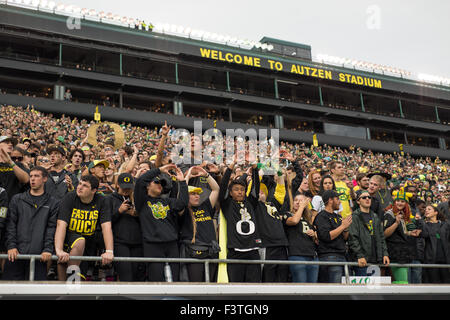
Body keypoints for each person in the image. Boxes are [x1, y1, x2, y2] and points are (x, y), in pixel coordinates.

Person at [134, 163, 188, 282]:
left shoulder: (167, 201)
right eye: (157, 182)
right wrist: (159, 170)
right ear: (148, 186)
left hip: (171, 244)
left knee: (175, 279)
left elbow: (182, 203)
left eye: (162, 184)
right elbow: (139, 181)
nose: (160, 185)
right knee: (156, 279)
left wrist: (182, 182)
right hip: (152, 245)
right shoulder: (142, 202)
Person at [54, 175, 114, 280]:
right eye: (80, 183)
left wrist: (109, 251)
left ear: (94, 190)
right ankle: (68, 283)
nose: (79, 187)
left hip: (88, 242)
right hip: (68, 237)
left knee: (81, 277)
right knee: (78, 242)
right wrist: (59, 250)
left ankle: (71, 288)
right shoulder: (70, 197)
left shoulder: (102, 200)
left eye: (85, 186)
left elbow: (106, 227)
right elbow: (61, 224)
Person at [3, 167, 58, 280]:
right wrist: (11, 246)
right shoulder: (17, 199)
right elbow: (10, 225)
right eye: (31, 176)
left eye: (36, 176)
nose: (32, 179)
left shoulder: (53, 203)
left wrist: (47, 249)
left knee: (35, 294)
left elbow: (51, 228)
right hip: (15, 255)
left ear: (45, 179)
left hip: (39, 257)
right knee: (10, 294)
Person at [218, 158, 262, 283]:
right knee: (236, 286)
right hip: (235, 251)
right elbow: (222, 188)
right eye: (236, 189)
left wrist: (254, 168)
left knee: (254, 286)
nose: (240, 192)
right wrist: (231, 166)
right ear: (230, 193)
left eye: (242, 190)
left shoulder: (251, 202)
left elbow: (256, 187)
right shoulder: (227, 204)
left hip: (253, 250)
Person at [180, 165, 220, 282]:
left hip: (211, 251)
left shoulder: (206, 206)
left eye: (197, 194)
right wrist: (187, 177)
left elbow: (216, 189)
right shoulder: (183, 210)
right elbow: (181, 193)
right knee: (196, 286)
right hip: (194, 252)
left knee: (211, 287)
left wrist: (206, 175)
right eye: (193, 194)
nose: (197, 196)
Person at [252, 169, 289, 283]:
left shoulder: (273, 203)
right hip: (267, 245)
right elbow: (254, 186)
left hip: (282, 245)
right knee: (268, 278)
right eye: (259, 191)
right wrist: (261, 170)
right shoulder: (254, 206)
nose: (261, 192)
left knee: (282, 278)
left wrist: (279, 174)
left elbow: (281, 191)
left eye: (263, 191)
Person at [108, 173, 144, 282]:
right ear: (117, 185)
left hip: (137, 242)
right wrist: (119, 211)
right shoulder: (110, 199)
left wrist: (136, 214)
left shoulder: (136, 199)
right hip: (120, 242)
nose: (126, 190)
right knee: (126, 276)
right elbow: (106, 222)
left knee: (137, 276)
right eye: (124, 187)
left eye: (129, 187)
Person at [348, 190, 390, 276]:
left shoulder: (375, 216)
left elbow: (381, 237)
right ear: (358, 201)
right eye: (364, 197)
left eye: (369, 197)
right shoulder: (354, 217)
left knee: (374, 288)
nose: (367, 199)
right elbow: (353, 238)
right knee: (362, 289)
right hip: (362, 261)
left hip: (375, 260)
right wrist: (359, 255)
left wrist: (385, 254)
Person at [383, 188, 421, 284]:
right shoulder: (389, 214)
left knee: (402, 281)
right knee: (402, 282)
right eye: (398, 201)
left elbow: (400, 234)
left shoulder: (402, 214)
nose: (400, 203)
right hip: (394, 252)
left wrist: (410, 233)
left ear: (406, 203)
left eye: (403, 201)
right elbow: (385, 234)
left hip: (402, 253)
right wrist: (396, 222)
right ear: (394, 202)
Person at [314, 190, 352, 283]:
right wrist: (342, 226)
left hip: (342, 255)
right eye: (337, 199)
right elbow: (327, 236)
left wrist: (346, 228)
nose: (340, 201)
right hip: (329, 256)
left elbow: (345, 237)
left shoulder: (338, 217)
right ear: (330, 200)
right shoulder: (321, 216)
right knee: (334, 290)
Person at [285, 193, 319, 283]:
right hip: (297, 255)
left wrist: (314, 234)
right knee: (300, 287)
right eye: (296, 200)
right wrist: (302, 206)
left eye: (301, 201)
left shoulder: (308, 220)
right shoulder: (288, 215)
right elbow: (295, 221)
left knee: (312, 289)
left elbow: (317, 241)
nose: (298, 202)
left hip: (312, 256)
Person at [419, 205, 450, 283]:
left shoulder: (445, 225)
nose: (426, 211)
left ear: (436, 212)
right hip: (431, 260)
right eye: (425, 209)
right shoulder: (424, 224)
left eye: (429, 209)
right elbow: (424, 234)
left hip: (445, 260)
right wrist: (421, 222)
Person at [0, 136, 30, 204]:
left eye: (12, 144)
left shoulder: (18, 165)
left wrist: (10, 162)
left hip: (13, 206)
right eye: (6, 142)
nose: (10, 144)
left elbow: (26, 179)